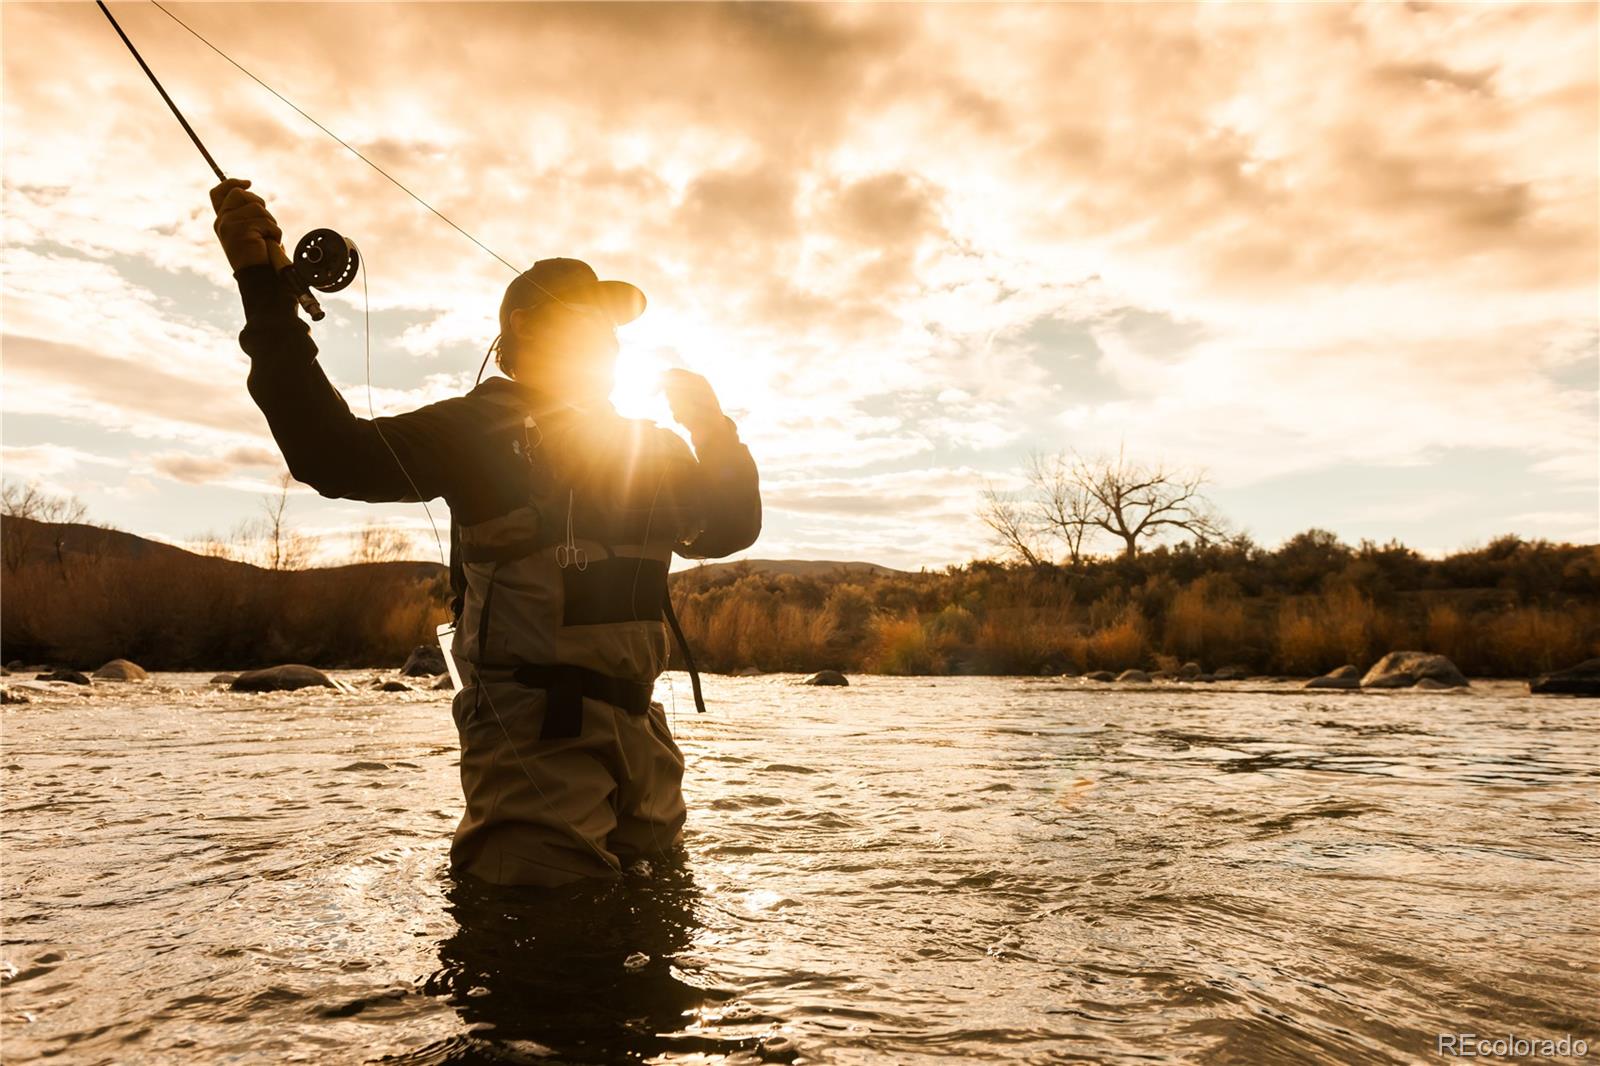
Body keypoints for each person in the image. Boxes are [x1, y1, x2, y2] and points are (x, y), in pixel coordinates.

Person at [210, 178, 761, 886]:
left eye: (610, 325)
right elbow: (328, 453)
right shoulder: (476, 429)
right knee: (537, 950)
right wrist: (263, 286)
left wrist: (713, 430)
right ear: (527, 328)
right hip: (532, 740)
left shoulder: (648, 447)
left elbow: (730, 528)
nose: (608, 337)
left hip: (646, 744)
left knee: (656, 941)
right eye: (587, 318)